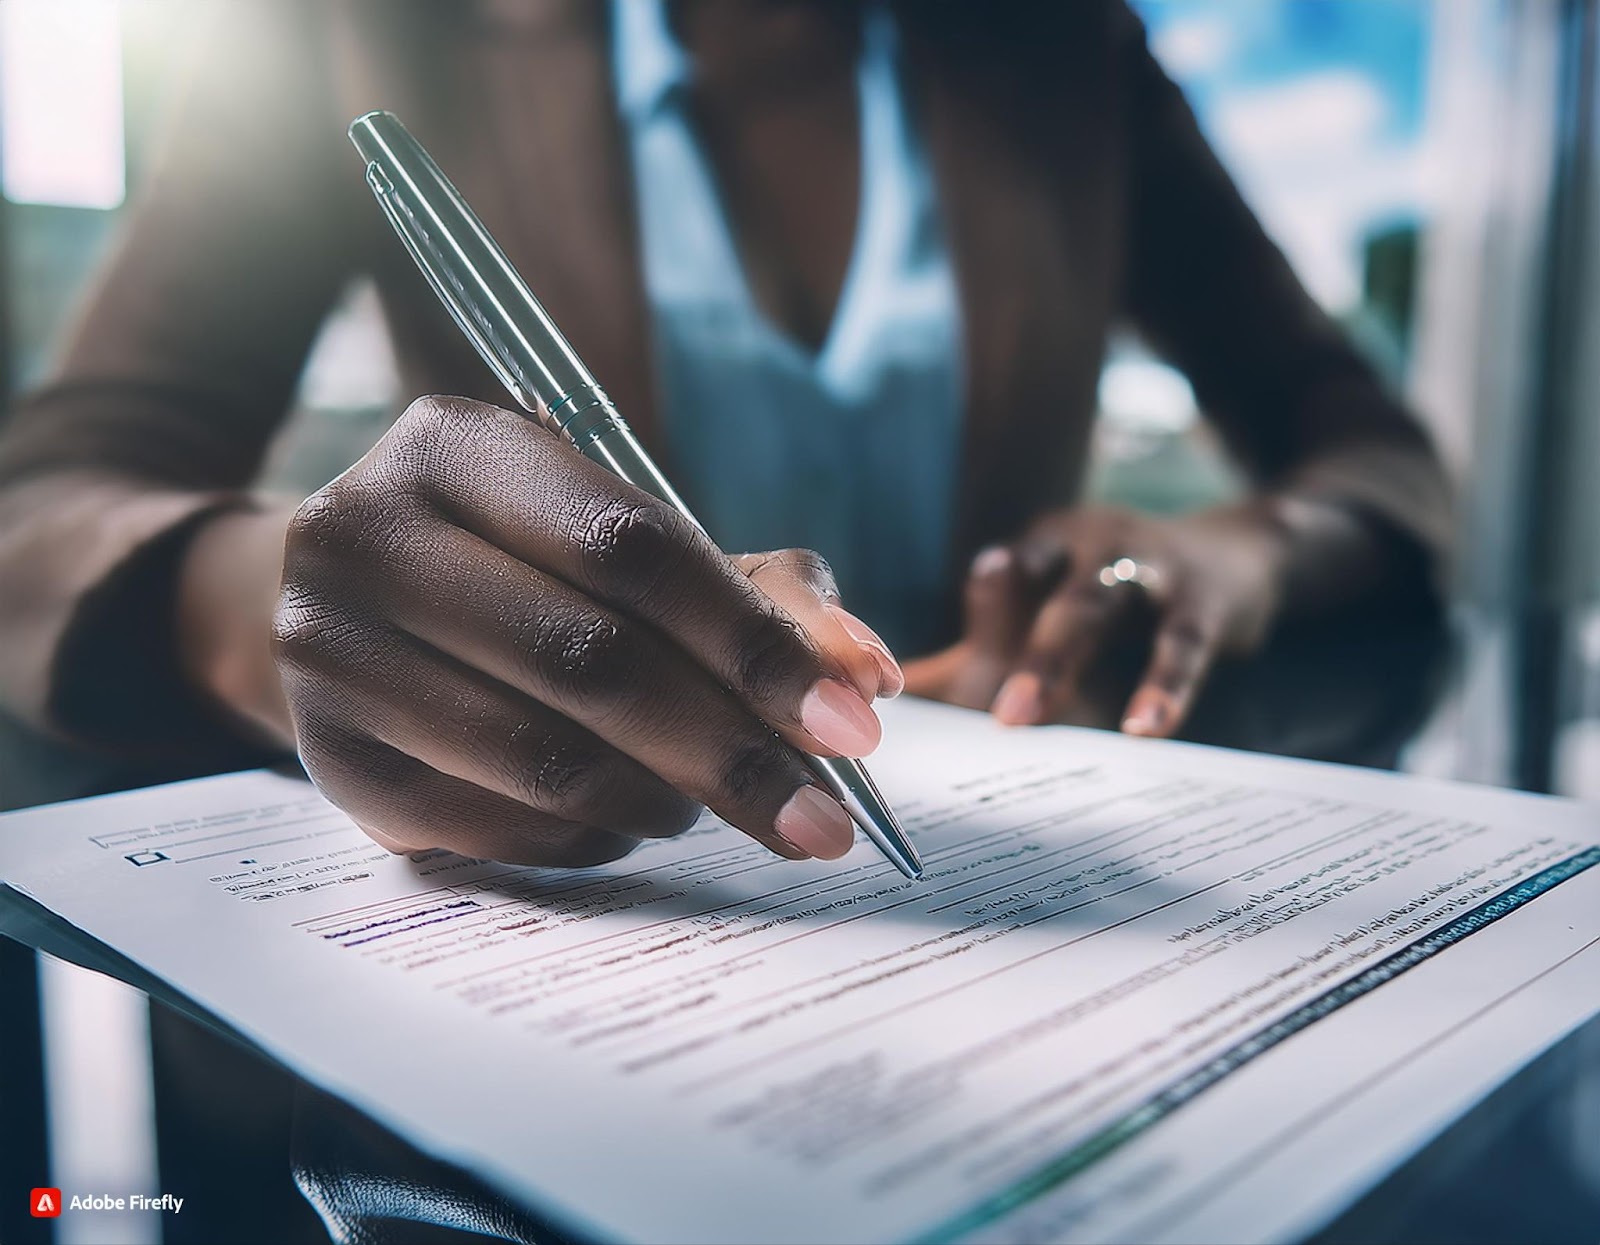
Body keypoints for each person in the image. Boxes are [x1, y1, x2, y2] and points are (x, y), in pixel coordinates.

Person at [0, 0, 1450, 871]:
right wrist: (294, 605)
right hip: (592, 899)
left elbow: (1368, 448)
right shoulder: (368, 26)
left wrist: (1240, 553)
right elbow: (46, 500)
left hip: (1018, 831)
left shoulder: (1060, 43)